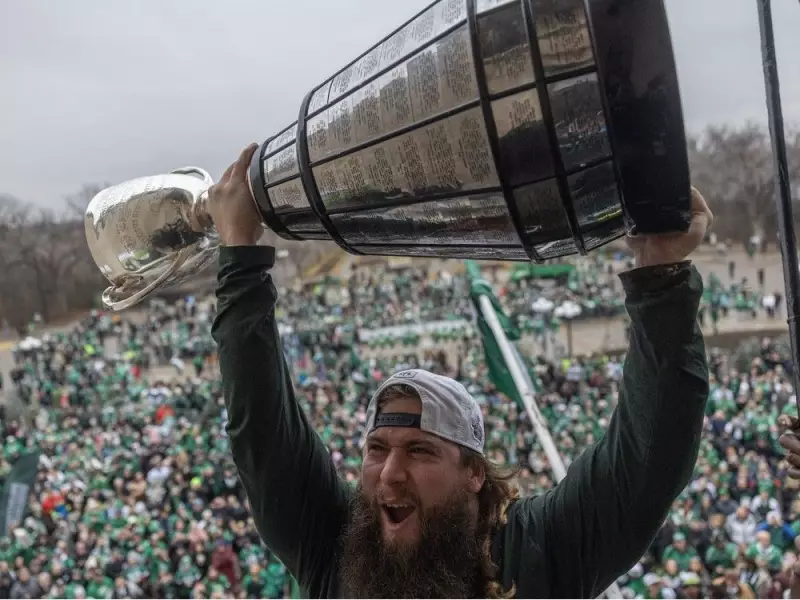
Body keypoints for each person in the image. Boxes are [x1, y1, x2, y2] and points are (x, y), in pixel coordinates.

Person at [208, 144, 714, 598]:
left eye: (420, 449)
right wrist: (240, 254)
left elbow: (649, 457)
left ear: (473, 471)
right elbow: (264, 431)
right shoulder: (334, 542)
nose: (389, 472)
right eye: (376, 448)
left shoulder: (539, 550)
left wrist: (660, 272)